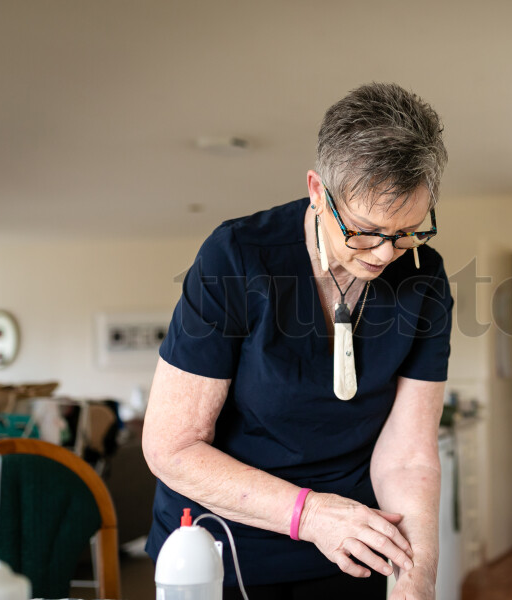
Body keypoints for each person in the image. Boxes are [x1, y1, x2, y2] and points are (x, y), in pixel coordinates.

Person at [143, 82, 452, 600]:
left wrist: (415, 579)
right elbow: (172, 447)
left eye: (406, 232)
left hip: (354, 546)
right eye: (364, 231)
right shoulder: (235, 257)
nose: (383, 254)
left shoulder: (425, 278)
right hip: (222, 550)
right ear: (316, 190)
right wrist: (309, 515)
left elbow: (409, 457)